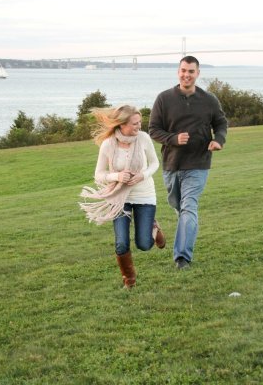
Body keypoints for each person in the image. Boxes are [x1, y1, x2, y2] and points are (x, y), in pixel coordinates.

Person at [149, 56, 228, 270]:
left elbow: (221, 123)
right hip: (172, 164)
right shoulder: (164, 99)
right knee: (179, 206)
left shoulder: (209, 100)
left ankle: (182, 258)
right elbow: (153, 130)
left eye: (191, 71)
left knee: (189, 206)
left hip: (198, 163)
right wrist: (173, 139)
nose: (187, 75)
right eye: (183, 70)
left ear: (198, 73)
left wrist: (218, 140)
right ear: (178, 72)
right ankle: (185, 229)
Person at [80, 105, 166, 289]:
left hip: (144, 195)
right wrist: (117, 176)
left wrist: (142, 175)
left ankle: (154, 227)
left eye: (139, 123)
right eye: (135, 123)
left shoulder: (143, 139)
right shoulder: (108, 144)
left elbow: (154, 163)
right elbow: (99, 174)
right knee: (121, 242)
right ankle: (129, 279)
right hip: (119, 197)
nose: (139, 127)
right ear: (122, 124)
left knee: (144, 244)